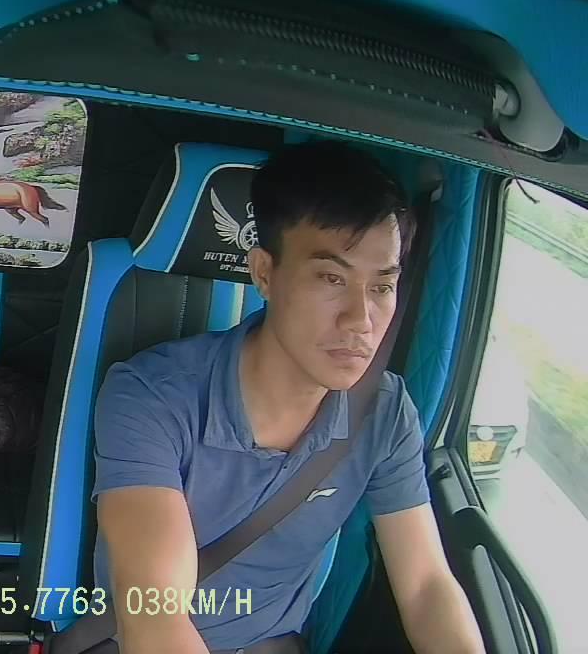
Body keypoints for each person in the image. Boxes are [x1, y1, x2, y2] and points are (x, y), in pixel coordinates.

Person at [92, 141, 485, 654]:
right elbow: (154, 611)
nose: (361, 321)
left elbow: (426, 586)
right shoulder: (151, 396)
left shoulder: (385, 414)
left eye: (381, 287)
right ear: (264, 273)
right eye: (331, 278)